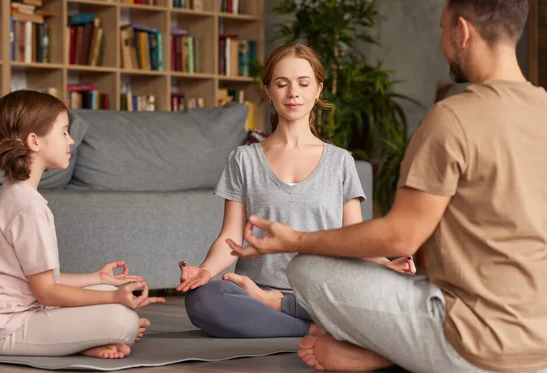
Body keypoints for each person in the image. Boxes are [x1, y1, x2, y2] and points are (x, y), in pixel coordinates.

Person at [228, 0, 547, 372]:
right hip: (540, 341)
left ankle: (385, 355)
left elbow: (401, 237)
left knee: (306, 268)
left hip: (472, 342)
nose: (443, 42)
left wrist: (295, 241)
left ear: (462, 31)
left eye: (443, 30)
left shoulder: (454, 118)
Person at [176, 43, 415, 339]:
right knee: (202, 299)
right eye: (282, 84)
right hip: (254, 292)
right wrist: (205, 272)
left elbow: (354, 238)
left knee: (390, 293)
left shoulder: (341, 161)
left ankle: (284, 310)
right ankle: (312, 328)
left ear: (318, 90)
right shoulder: (243, 159)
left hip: (322, 291)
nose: (293, 93)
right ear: (268, 91)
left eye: (303, 83)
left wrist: (386, 266)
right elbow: (230, 237)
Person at [0, 90, 165, 359]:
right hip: (5, 330)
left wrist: (97, 279)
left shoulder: (15, 194)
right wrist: (115, 300)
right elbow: (47, 293)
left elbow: (36, 280)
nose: (71, 140)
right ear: (34, 141)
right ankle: (95, 336)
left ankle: (86, 338)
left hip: (14, 316)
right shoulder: (28, 208)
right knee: (121, 319)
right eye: (64, 131)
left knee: (105, 289)